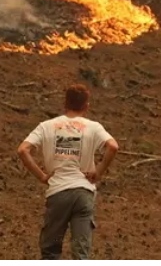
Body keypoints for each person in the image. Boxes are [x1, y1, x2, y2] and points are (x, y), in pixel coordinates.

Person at [16, 84, 119, 260]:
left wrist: (41, 176)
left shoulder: (46, 126)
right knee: (81, 253)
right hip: (83, 193)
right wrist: (98, 171)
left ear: (65, 103)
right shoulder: (93, 127)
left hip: (58, 193)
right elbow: (113, 146)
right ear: (86, 106)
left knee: (51, 251)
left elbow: (23, 150)